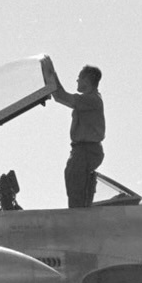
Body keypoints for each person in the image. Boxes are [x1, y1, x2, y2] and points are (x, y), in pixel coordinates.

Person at [48, 63, 105, 208]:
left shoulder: (92, 99)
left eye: (79, 77)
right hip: (82, 150)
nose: (77, 80)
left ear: (87, 80)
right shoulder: (90, 100)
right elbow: (59, 96)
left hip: (86, 151)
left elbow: (60, 96)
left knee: (77, 194)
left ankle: (78, 222)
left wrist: (50, 74)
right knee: (73, 182)